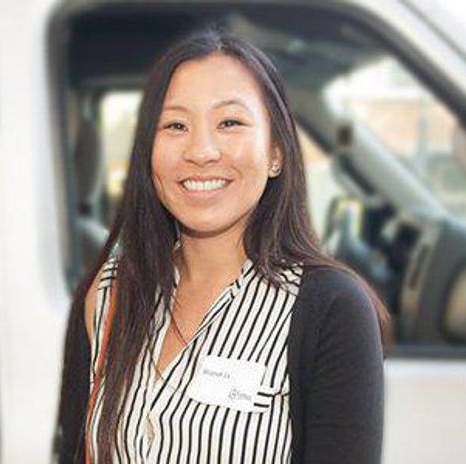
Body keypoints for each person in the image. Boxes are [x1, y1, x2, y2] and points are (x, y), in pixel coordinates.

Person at [54, 30, 389, 464]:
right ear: (148, 153)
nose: (201, 151)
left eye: (229, 123)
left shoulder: (330, 309)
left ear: (275, 153)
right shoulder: (110, 292)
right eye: (175, 125)